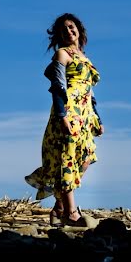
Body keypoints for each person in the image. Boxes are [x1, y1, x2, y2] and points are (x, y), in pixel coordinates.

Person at [25, 13, 104, 227]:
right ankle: (70, 213)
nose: (69, 31)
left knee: (86, 158)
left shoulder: (85, 57)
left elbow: (90, 91)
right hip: (69, 111)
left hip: (85, 114)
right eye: (64, 30)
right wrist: (62, 116)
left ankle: (59, 205)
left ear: (78, 29)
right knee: (67, 161)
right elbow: (58, 86)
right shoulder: (62, 54)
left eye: (71, 27)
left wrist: (97, 117)